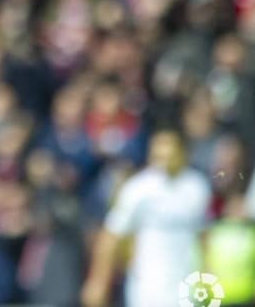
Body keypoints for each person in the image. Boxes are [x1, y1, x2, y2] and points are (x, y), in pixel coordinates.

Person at [81, 130, 211, 307]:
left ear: (183, 152)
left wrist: (209, 276)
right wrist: (98, 282)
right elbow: (111, 236)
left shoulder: (197, 187)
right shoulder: (139, 189)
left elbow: (203, 236)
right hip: (147, 290)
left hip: (187, 288)